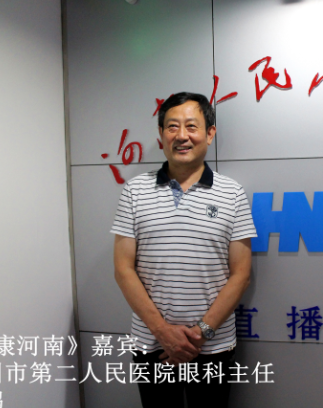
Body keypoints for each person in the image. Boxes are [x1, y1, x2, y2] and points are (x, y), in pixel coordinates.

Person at [110, 92, 257, 407]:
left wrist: (201, 333)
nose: (181, 136)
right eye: (172, 126)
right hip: (153, 345)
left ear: (210, 133)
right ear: (161, 134)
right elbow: (123, 269)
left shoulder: (232, 193)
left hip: (213, 345)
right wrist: (163, 332)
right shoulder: (135, 191)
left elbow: (241, 274)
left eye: (192, 126)